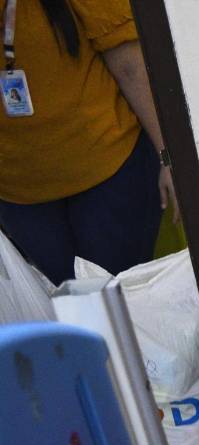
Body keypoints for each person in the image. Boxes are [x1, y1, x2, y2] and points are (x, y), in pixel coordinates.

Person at [0, 0, 178, 286]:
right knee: (71, 304)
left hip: (109, 172)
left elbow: (130, 65)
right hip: (19, 194)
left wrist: (168, 156)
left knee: (117, 297)